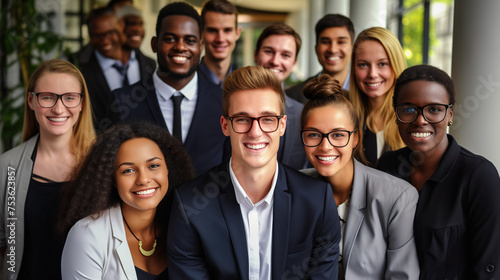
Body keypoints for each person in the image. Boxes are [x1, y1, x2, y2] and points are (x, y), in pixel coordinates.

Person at [167, 66, 340, 279]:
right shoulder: (189, 205)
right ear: (225, 125)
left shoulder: (317, 201)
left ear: (283, 125)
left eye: (267, 119)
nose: (255, 132)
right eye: (242, 119)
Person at [377, 64, 500, 280]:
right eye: (408, 108)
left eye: (434, 109)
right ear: (395, 114)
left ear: (450, 114)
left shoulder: (479, 176)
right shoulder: (387, 167)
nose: (420, 120)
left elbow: (489, 269)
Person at [300, 74, 419, 279]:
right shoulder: (293, 188)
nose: (325, 146)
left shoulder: (398, 197)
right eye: (313, 134)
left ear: (355, 138)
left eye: (338, 135)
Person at [108, 2, 230, 176]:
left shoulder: (224, 102)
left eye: (190, 40)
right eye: (170, 39)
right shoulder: (122, 102)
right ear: (154, 44)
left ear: (200, 47)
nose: (180, 47)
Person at [0, 59, 96, 279]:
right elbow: (4, 245)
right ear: (31, 101)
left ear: (82, 103)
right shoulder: (8, 167)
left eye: (69, 98)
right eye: (47, 97)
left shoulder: (101, 163)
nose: (59, 108)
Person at [60, 122, 194, 279]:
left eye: (153, 165)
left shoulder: (186, 225)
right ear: (112, 180)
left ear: (168, 169)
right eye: (128, 170)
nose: (144, 179)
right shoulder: (87, 235)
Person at [79, 7, 155, 132]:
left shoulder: (149, 64)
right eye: (97, 35)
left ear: (121, 27)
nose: (105, 40)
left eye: (110, 32)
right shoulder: (82, 69)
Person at [348, 27, 406, 166]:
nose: (373, 73)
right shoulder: (345, 117)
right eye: (363, 65)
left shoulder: (412, 118)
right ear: (354, 69)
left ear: (395, 65)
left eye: (382, 64)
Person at [254, 23, 309, 170]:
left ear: (294, 63)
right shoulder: (226, 107)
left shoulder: (302, 115)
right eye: (269, 51)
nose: (275, 61)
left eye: (285, 55)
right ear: (255, 54)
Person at [286, 14, 354, 103]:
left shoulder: (366, 92)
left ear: (352, 48)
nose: (333, 50)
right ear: (316, 49)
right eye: (325, 42)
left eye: (341, 42)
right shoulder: (294, 95)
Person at [198, 0, 241, 87]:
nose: (220, 39)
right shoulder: (187, 81)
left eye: (227, 30)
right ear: (201, 33)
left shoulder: (245, 82)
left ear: (237, 33)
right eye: (212, 30)